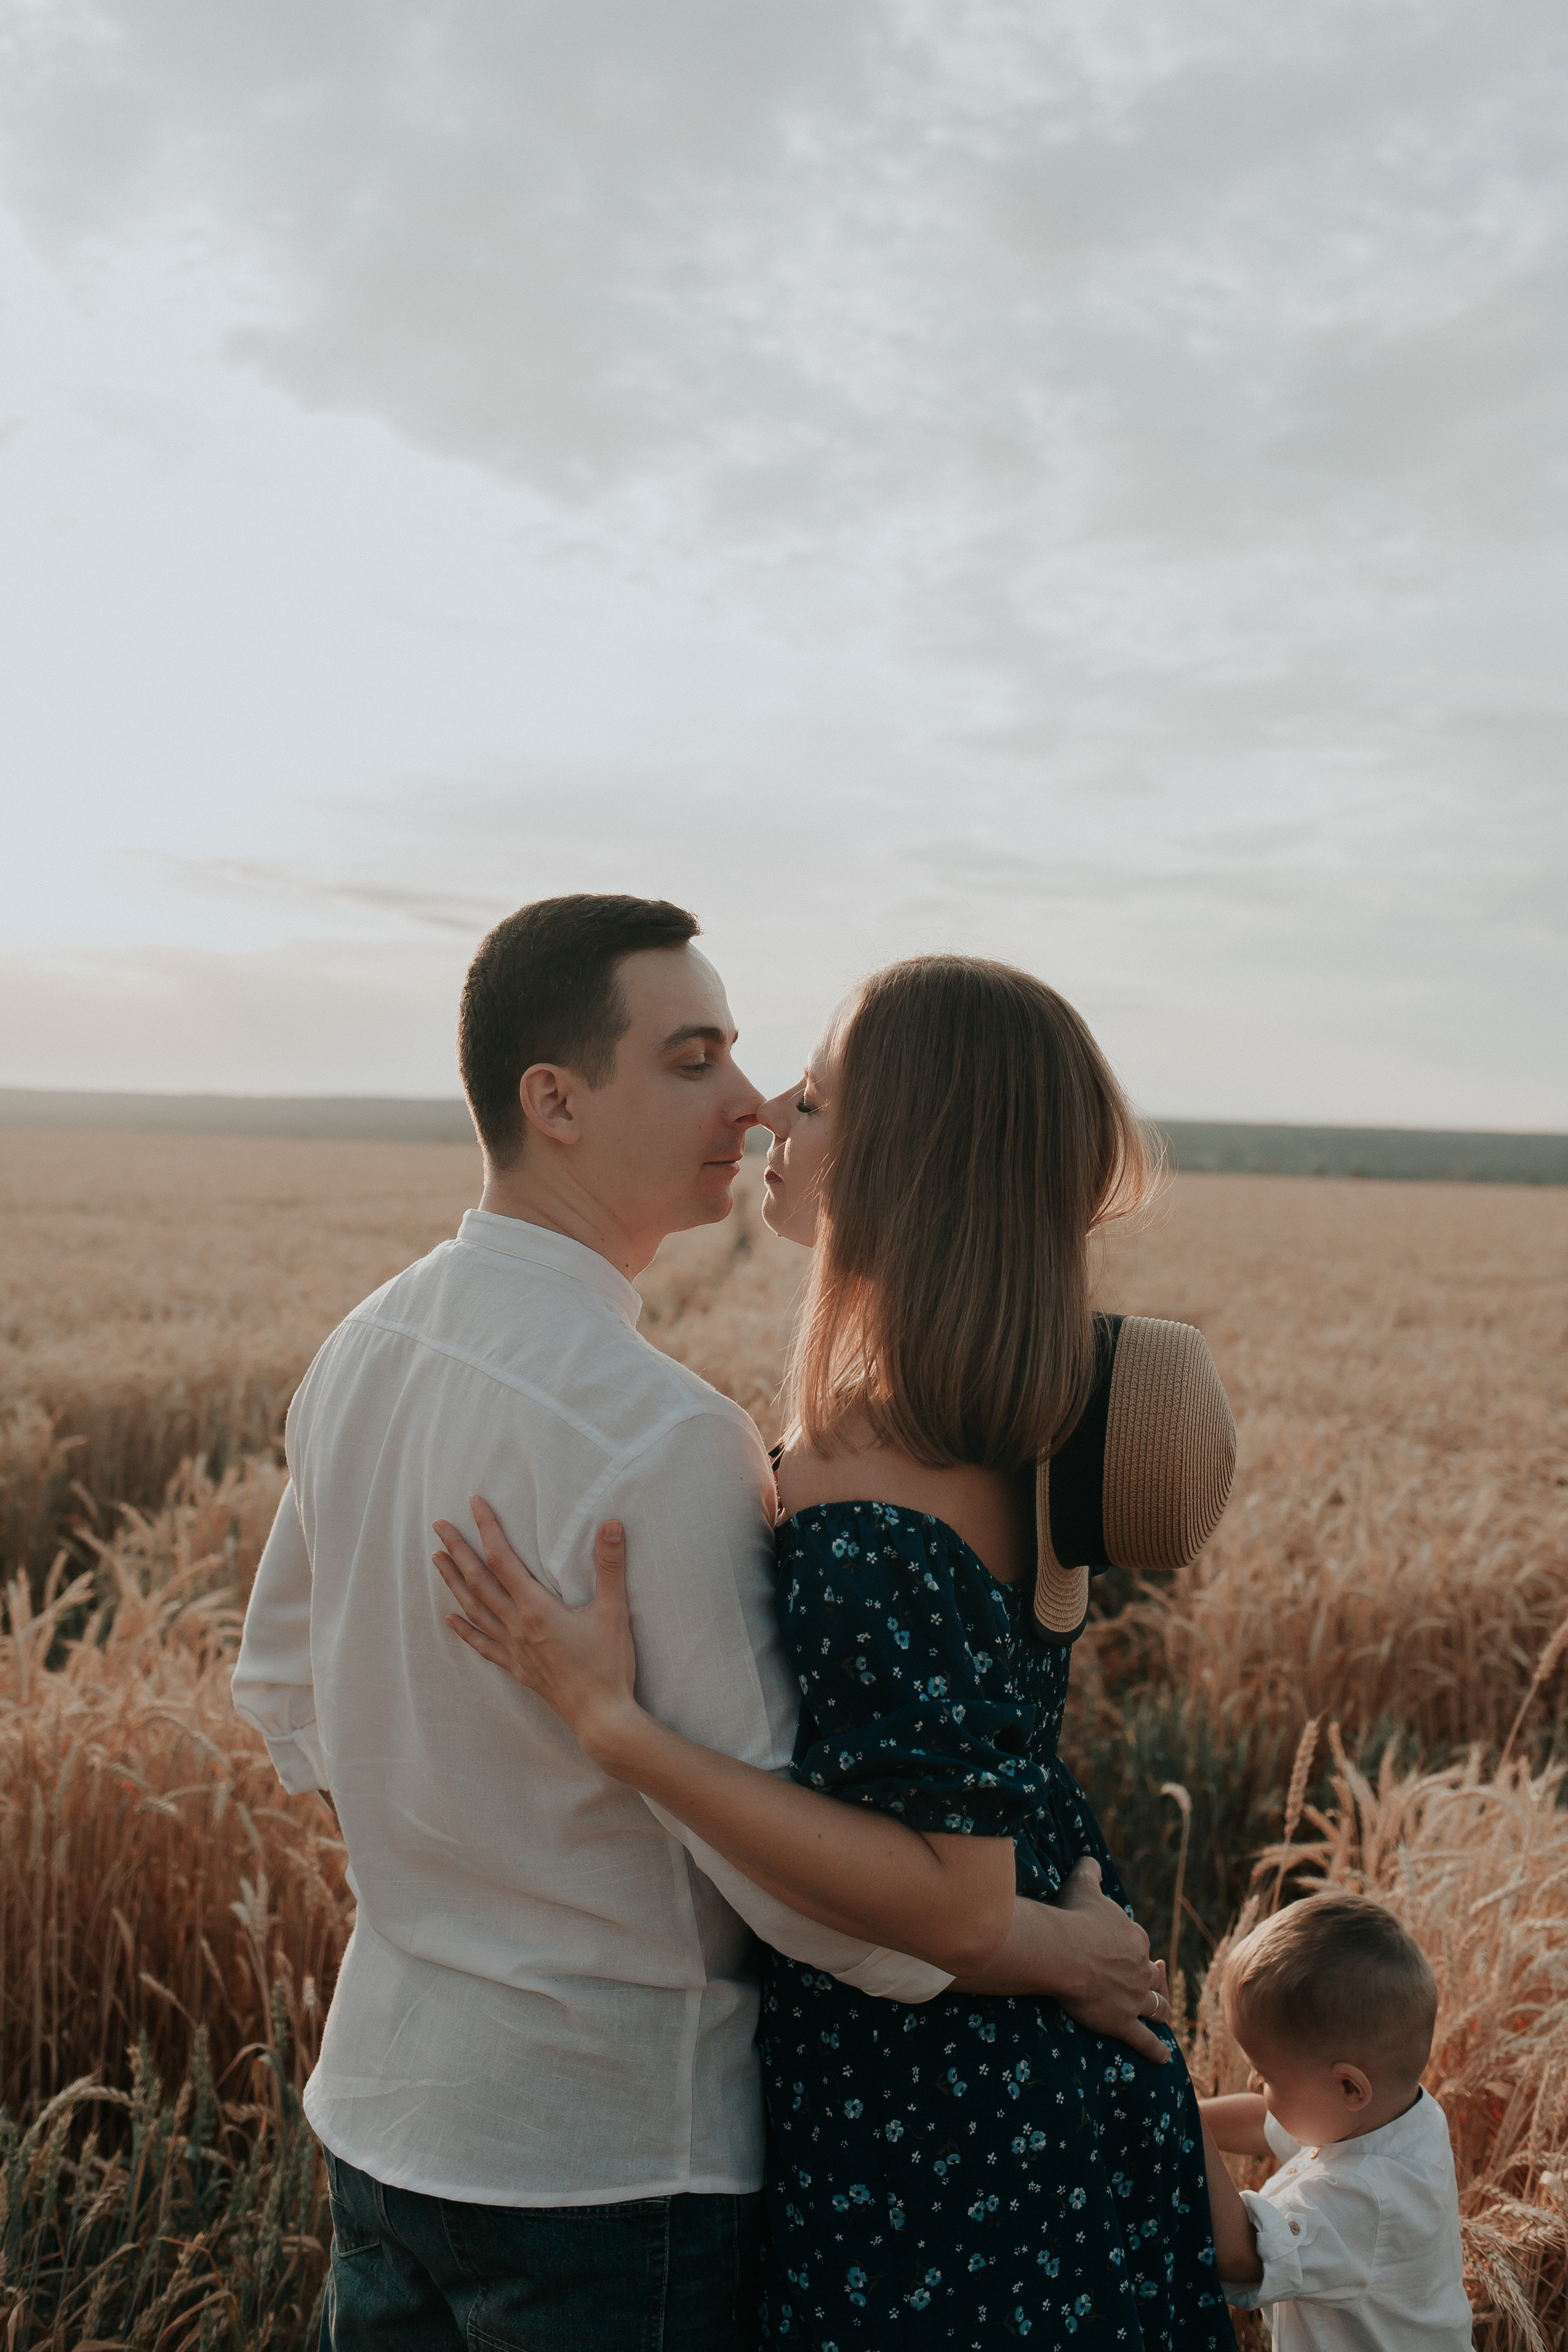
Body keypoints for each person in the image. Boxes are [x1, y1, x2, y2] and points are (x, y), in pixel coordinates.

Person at [233, 898, 1167, 2351]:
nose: (745, 1100)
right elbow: (798, 1886)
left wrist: (456, 1852)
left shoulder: (357, 1348)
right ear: (554, 1100)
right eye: (691, 1059)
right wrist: (1040, 1946)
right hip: (609, 2149)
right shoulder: (661, 1438)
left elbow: (284, 1688)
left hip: (384, 2101)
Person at [1200, 1891, 1474, 2351]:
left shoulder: (1368, 2196)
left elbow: (1240, 2256)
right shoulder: (1400, 2116)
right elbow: (1265, 2119)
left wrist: (1179, 2130)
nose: (1252, 2084)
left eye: (1267, 2075)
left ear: (1349, 2088)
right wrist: (1190, 2114)